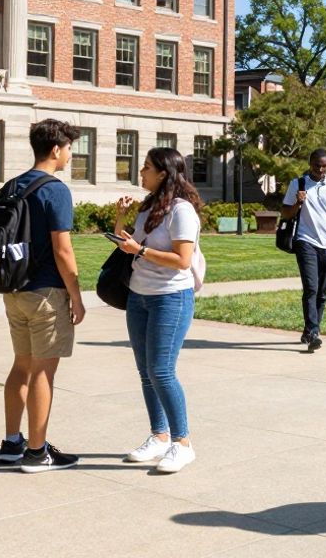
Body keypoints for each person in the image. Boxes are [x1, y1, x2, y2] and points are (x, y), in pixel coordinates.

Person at [0, 119, 86, 472]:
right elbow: (63, 251)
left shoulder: (10, 186)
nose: (69, 156)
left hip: (14, 290)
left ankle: (12, 442)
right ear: (55, 149)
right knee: (43, 373)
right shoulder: (55, 190)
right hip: (47, 293)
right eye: (68, 149)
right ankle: (37, 452)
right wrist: (76, 295)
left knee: (21, 365)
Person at [114, 147, 202, 473]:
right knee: (145, 371)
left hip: (171, 298)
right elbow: (133, 245)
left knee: (161, 370)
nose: (141, 172)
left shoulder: (182, 211)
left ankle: (183, 443)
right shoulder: (149, 207)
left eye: (147, 167)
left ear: (163, 173)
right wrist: (122, 218)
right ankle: (159, 436)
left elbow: (182, 260)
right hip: (139, 297)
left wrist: (141, 249)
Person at [280, 148, 326, 351]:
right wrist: (297, 202)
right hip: (305, 241)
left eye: (324, 166)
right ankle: (313, 333)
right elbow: (285, 213)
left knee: (322, 292)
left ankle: (310, 329)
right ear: (310, 163)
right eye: (316, 165)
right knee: (311, 287)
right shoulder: (298, 184)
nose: (320, 170)